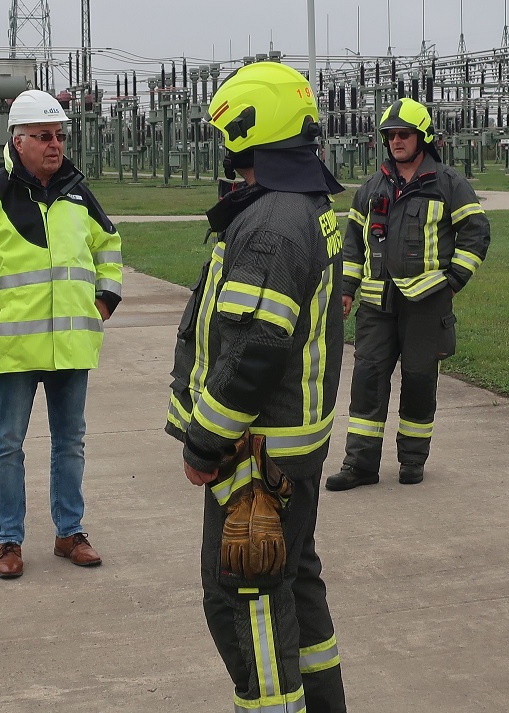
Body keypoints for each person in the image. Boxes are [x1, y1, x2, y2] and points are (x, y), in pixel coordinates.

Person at [165, 60, 349, 713]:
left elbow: (254, 346)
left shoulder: (271, 220)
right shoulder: (301, 206)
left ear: (248, 132)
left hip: (253, 452)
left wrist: (203, 442)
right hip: (288, 449)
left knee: (244, 600)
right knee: (292, 579)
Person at [0, 88, 122, 579]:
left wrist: (104, 300)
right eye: (43, 137)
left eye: (59, 136)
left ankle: (69, 532)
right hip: (13, 346)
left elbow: (109, 246)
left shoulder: (78, 194)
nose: (55, 145)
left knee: (69, 442)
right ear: (17, 141)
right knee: (8, 443)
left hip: (72, 345)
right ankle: (8, 541)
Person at [328, 98, 490, 490]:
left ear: (423, 138)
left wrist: (452, 281)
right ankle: (360, 464)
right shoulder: (371, 187)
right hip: (377, 305)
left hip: (426, 304)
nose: (397, 141)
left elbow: (477, 232)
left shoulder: (448, 183)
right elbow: (353, 244)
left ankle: (412, 459)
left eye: (404, 134)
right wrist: (347, 289)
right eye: (391, 135)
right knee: (367, 380)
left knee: (419, 380)